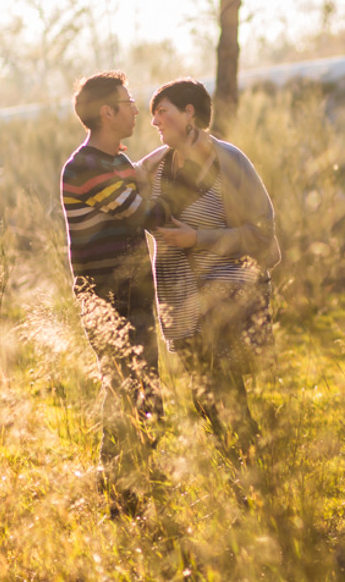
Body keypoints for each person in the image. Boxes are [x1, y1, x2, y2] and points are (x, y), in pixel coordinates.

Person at [136, 77, 281, 467]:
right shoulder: (158, 167)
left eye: (161, 112)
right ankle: (244, 470)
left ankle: (252, 472)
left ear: (189, 113)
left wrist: (197, 238)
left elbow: (262, 230)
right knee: (205, 398)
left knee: (224, 391)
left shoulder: (228, 161)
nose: (154, 122)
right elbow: (125, 190)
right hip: (178, 304)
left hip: (225, 296)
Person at [60, 70, 170, 517]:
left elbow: (138, 189)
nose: (136, 110)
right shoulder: (85, 168)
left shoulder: (117, 163)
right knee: (125, 390)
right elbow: (144, 214)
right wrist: (153, 190)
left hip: (135, 295)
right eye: (128, 103)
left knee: (147, 391)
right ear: (107, 112)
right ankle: (119, 496)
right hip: (107, 301)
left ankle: (142, 483)